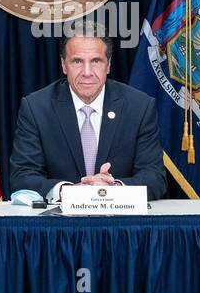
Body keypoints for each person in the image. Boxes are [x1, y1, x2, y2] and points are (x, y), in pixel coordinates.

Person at [9, 26, 167, 201]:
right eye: (77, 61)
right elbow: (22, 177)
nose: (87, 72)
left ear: (108, 65)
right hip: (61, 225)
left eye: (96, 61)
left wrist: (113, 189)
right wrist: (68, 191)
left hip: (120, 223)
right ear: (63, 65)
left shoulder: (139, 107)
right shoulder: (37, 108)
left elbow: (155, 177)